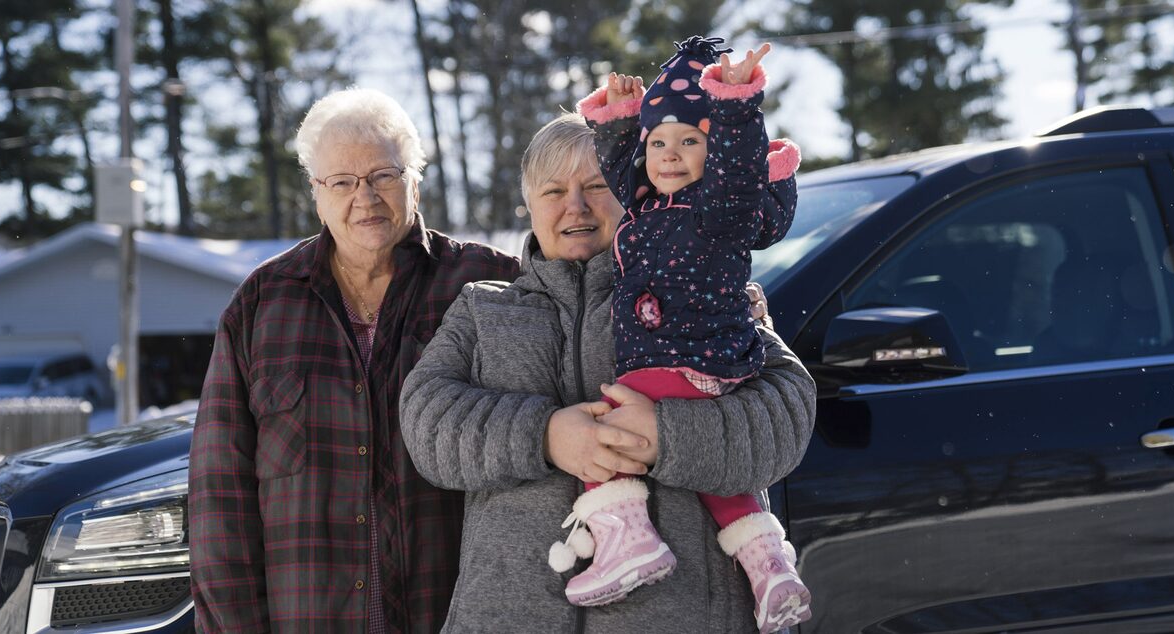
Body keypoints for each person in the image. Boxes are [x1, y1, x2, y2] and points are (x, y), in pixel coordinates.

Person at [399, 112, 815, 632]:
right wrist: (545, 436)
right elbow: (425, 419)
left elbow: (787, 411)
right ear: (529, 204)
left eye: (596, 185)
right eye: (553, 191)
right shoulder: (483, 310)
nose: (575, 205)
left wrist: (669, 437)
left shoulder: (700, 289)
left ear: (631, 190)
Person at [188, 87, 521, 632]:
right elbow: (218, 497)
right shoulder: (261, 304)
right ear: (316, 193)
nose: (364, 198)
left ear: (414, 179)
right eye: (342, 182)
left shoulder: (489, 286)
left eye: (383, 176)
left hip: (456, 614)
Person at [565, 36, 810, 630]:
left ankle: (630, 544)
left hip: (686, 361)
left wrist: (734, 102)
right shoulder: (651, 206)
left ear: (716, 150)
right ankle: (770, 569)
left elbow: (736, 172)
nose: (669, 156)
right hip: (685, 363)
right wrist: (623, 117)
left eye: (689, 142)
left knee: (604, 437)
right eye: (658, 143)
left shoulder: (717, 211)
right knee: (724, 484)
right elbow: (629, 172)